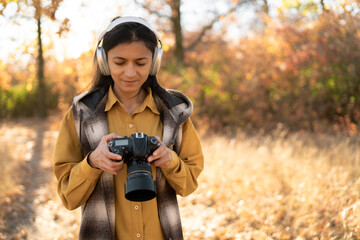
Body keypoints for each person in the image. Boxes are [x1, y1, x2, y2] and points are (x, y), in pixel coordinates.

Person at [52, 16, 204, 240]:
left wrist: (170, 161)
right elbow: (68, 197)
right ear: (104, 61)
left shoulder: (174, 113)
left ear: (154, 62)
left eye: (141, 63)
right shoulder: (81, 114)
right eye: (120, 62)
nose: (130, 73)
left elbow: (189, 184)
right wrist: (93, 162)